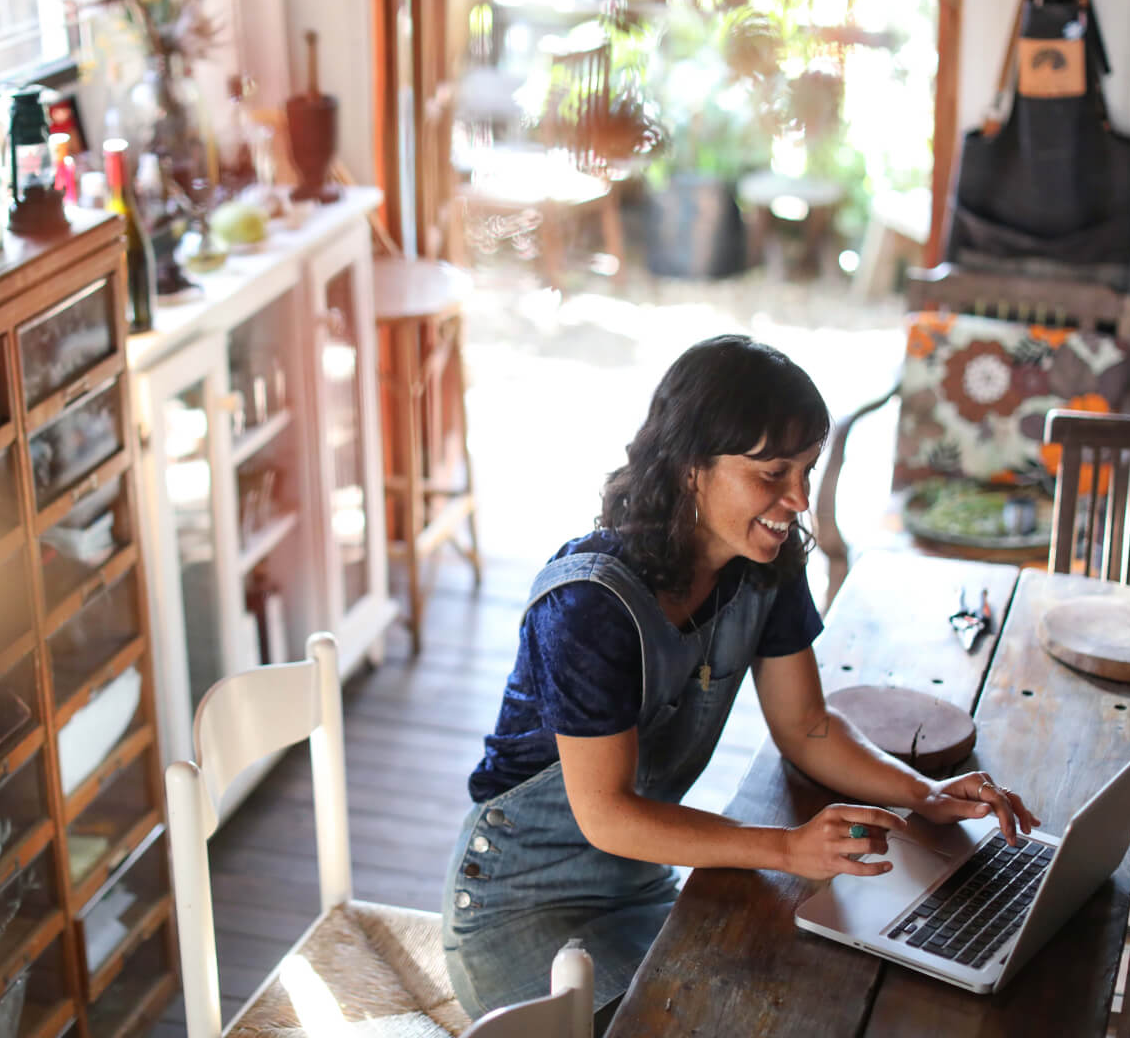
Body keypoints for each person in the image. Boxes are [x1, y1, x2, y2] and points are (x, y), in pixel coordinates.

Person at [440, 335, 1038, 1029]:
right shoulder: (587, 607)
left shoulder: (763, 564)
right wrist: (785, 848)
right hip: (520, 907)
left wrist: (924, 796)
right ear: (690, 464)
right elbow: (608, 814)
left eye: (807, 471)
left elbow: (807, 726)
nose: (799, 499)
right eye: (773, 473)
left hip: (640, 882)